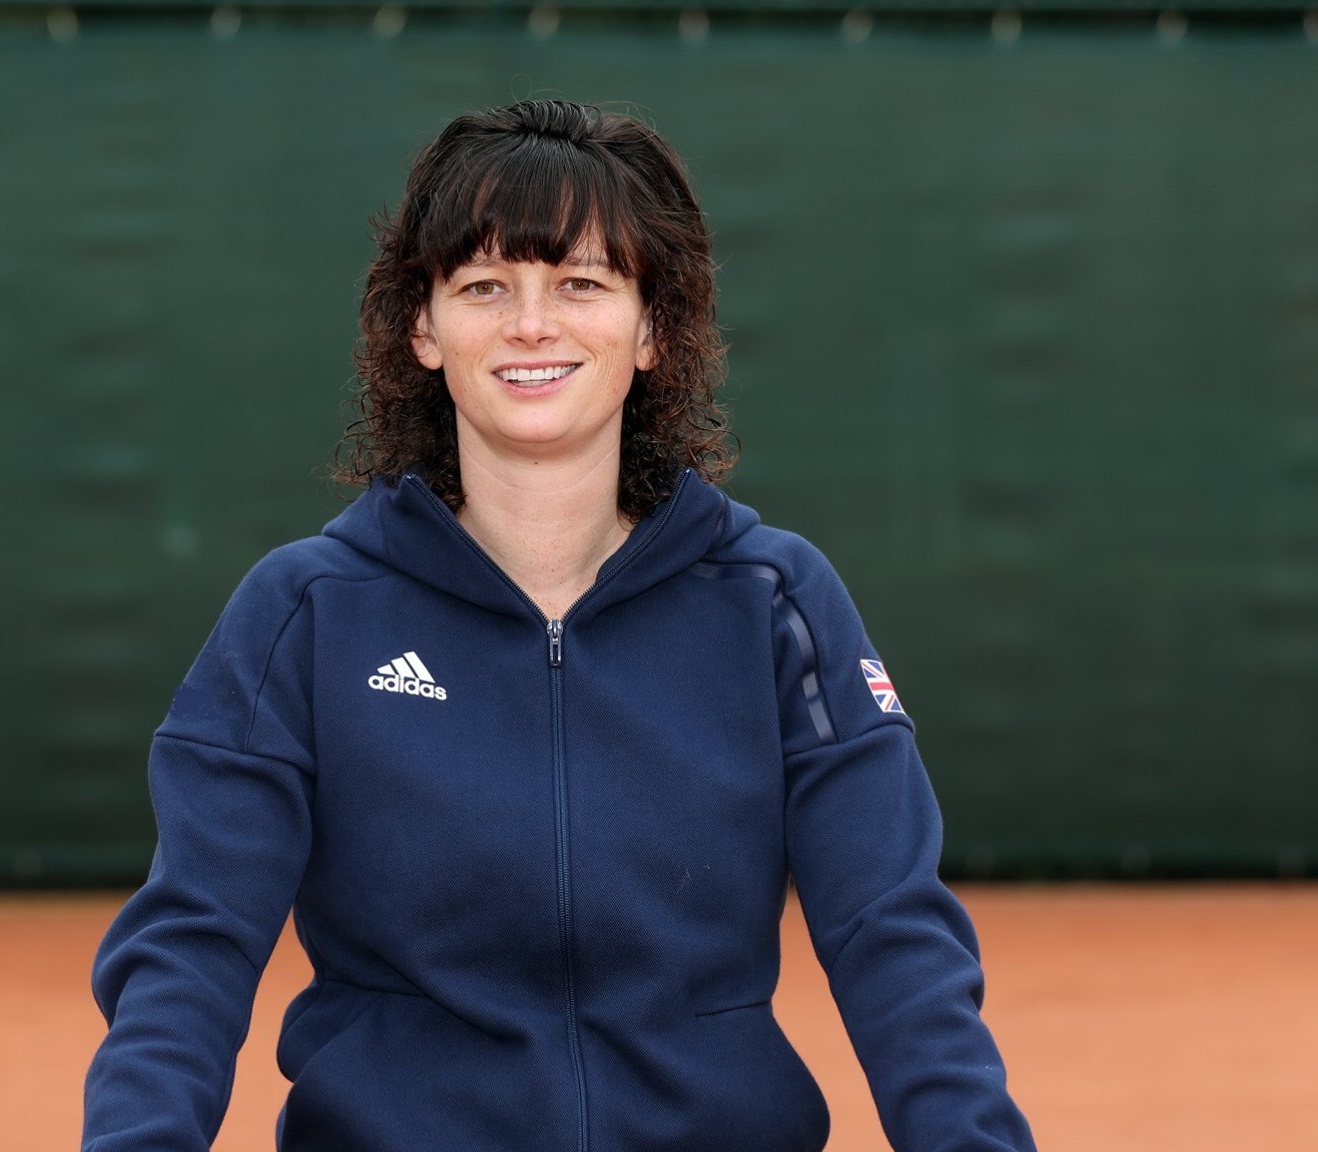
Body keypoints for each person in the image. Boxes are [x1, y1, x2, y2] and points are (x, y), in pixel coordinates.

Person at [82, 99, 1035, 1152]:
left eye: (580, 283)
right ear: (423, 330)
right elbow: (191, 950)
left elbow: (891, 938)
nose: (529, 324)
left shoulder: (774, 601)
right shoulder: (304, 613)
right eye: (483, 286)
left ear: (650, 329)